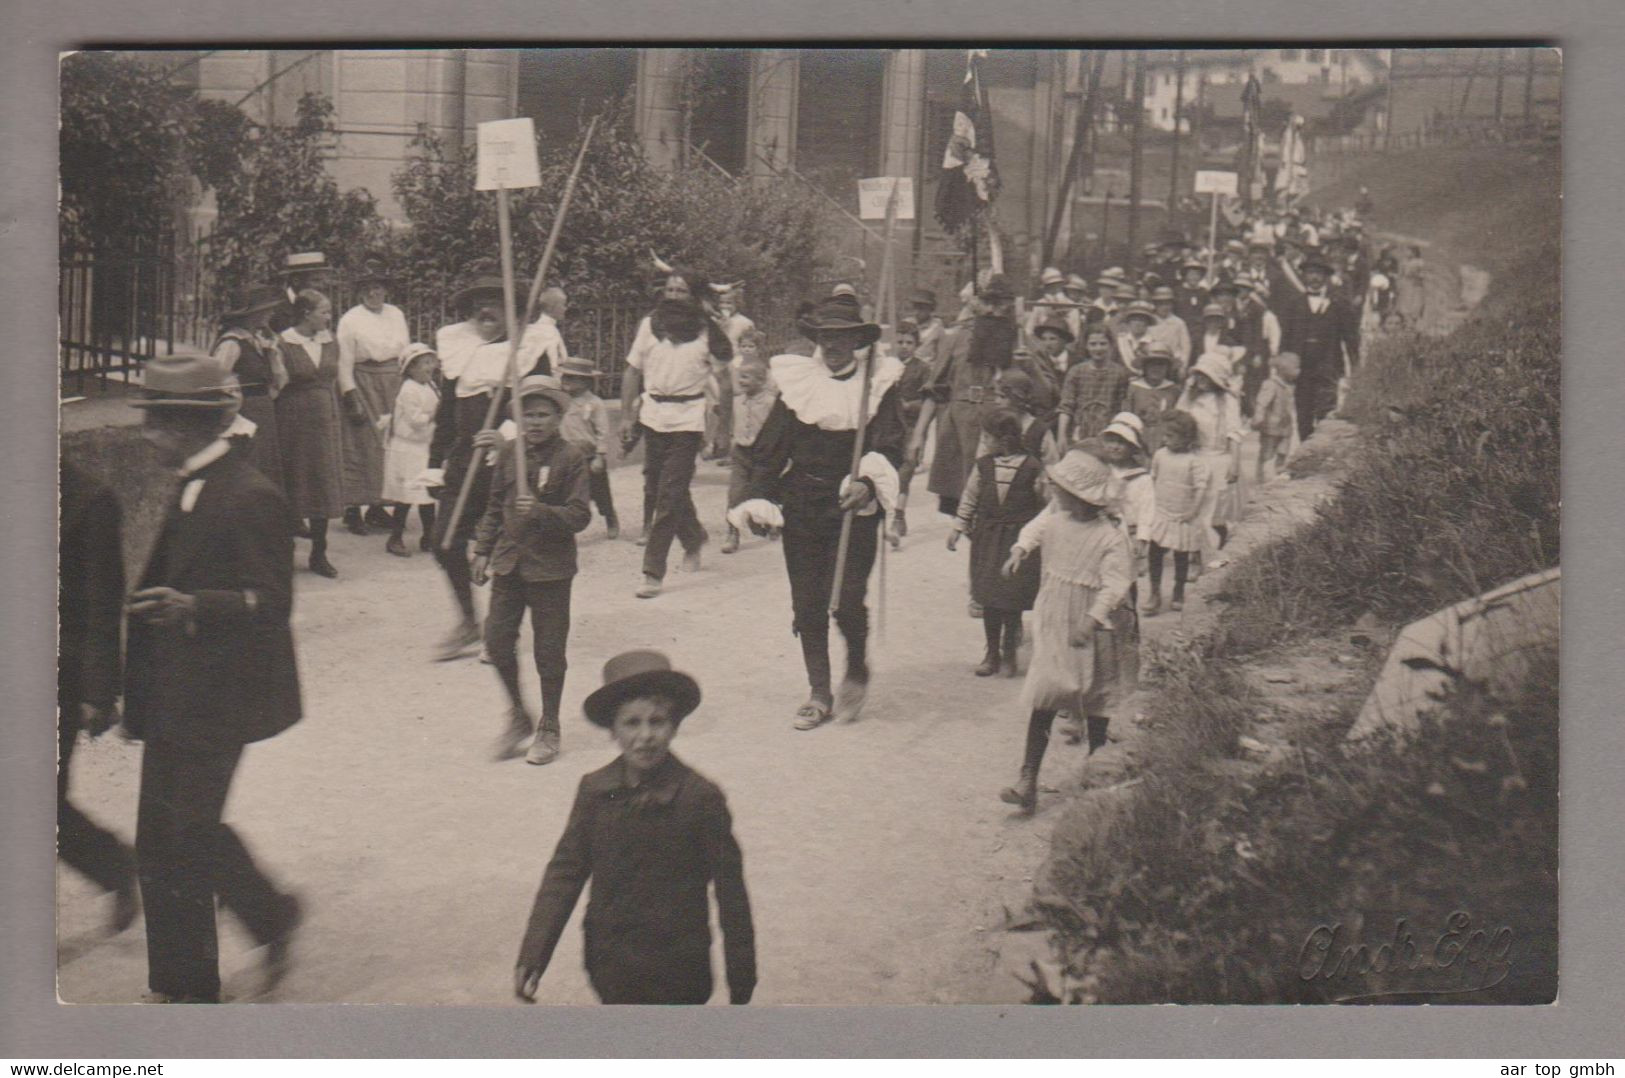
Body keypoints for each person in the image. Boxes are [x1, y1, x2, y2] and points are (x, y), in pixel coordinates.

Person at [122, 350, 303, 1003]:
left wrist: (196, 606)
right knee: (165, 833)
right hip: (176, 690)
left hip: (223, 696)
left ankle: (190, 989)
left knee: (184, 834)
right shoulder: (188, 481)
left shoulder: (250, 496)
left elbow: (272, 604)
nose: (147, 436)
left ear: (189, 425)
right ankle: (264, 919)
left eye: (156, 423)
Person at [514, 650, 754, 1005]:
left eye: (657, 722)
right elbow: (565, 873)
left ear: (674, 727)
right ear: (613, 730)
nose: (645, 736)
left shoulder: (700, 799)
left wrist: (741, 978)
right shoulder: (594, 791)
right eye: (631, 723)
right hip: (610, 962)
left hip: (681, 969)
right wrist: (534, 953)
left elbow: (731, 892)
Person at [728, 293, 906, 729]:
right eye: (826, 337)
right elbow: (771, 450)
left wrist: (866, 483)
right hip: (804, 502)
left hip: (853, 507)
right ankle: (819, 691)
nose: (833, 345)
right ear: (817, 339)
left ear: (857, 341)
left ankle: (858, 667)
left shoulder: (877, 385)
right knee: (807, 602)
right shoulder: (797, 385)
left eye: (843, 337)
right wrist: (757, 497)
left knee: (845, 599)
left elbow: (890, 445)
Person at [998, 448, 1137, 815]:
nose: (1052, 491)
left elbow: (1116, 583)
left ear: (1078, 496)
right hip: (1055, 618)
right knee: (1045, 694)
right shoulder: (1056, 519)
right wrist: (1020, 549)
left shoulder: (1109, 536)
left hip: (1092, 625)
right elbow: (1033, 529)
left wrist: (1093, 618)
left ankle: (1096, 774)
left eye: (1059, 487)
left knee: (1095, 698)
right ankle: (1028, 778)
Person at [427, 271, 554, 661]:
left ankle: (502, 631)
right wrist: (436, 461)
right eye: (478, 303)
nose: (484, 310)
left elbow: (543, 410)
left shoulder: (531, 350)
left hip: (511, 462)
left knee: (510, 548)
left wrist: (508, 436)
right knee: (444, 542)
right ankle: (469, 622)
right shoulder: (458, 349)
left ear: (514, 312)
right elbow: (447, 412)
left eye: (495, 302)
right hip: (466, 460)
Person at [471, 376, 591, 766]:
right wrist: (482, 549)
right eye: (529, 415)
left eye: (543, 414)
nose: (535, 422)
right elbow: (493, 505)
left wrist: (540, 511)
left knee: (549, 651)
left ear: (558, 417)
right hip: (509, 563)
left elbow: (579, 515)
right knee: (497, 640)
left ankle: (550, 725)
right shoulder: (509, 453)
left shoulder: (571, 458)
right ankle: (519, 715)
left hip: (551, 569)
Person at [58, 460, 139, 936]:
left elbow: (103, 605)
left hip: (57, 674)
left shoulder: (89, 501)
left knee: (38, 803)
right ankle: (113, 866)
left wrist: (98, 691)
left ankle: (113, 866)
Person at [621, 296, 715, 599]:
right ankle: (693, 537)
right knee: (662, 487)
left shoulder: (706, 330)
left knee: (669, 493)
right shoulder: (650, 325)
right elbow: (632, 370)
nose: (676, 295)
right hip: (653, 415)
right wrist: (626, 416)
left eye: (683, 289)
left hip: (688, 420)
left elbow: (724, 379)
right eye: (671, 288)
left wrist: (720, 428)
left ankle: (652, 571)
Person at [948, 409, 1045, 678]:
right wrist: (958, 527)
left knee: (1010, 597)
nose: (984, 442)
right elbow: (969, 498)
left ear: (1004, 440)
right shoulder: (983, 466)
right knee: (989, 596)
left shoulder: (1033, 467)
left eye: (987, 437)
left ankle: (1010, 653)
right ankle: (992, 652)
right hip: (988, 538)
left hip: (1017, 540)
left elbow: (1044, 506)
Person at [912, 275, 1018, 519]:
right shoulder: (956, 338)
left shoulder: (1017, 339)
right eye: (988, 303)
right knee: (962, 507)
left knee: (998, 504)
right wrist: (918, 435)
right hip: (958, 427)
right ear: (977, 304)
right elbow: (934, 390)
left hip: (1000, 427)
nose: (994, 311)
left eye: (1001, 304)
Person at [335, 259, 410, 535]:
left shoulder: (396, 314)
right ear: (359, 292)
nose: (374, 294)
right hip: (363, 381)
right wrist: (349, 393)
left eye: (378, 287)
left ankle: (377, 506)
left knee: (388, 445)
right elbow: (344, 362)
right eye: (368, 288)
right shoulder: (350, 319)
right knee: (361, 444)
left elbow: (404, 353)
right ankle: (353, 510)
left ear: (386, 290)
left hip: (393, 383)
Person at [275, 289, 346, 578]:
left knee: (323, 481)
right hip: (293, 419)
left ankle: (319, 552)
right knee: (294, 480)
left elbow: (335, 378)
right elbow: (277, 382)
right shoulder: (284, 343)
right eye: (324, 312)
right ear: (306, 314)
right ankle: (283, 552)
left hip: (325, 418)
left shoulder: (331, 341)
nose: (329, 317)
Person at [212, 284, 288, 493]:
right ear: (253, 314)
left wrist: (272, 355)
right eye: (267, 309)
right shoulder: (232, 343)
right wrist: (232, 409)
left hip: (264, 412)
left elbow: (279, 383)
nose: (271, 313)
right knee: (248, 466)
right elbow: (216, 379)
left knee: (266, 466)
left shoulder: (258, 341)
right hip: (245, 413)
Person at [1280, 255, 1361, 442]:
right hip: (1302, 369)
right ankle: (1304, 454)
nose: (1314, 278)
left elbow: (1350, 338)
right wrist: (1284, 367)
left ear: (1326, 277)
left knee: (1326, 413)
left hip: (1329, 366)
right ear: (1304, 276)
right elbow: (1286, 338)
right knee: (1303, 414)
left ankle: (1321, 456)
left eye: (1319, 273)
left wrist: (1355, 367)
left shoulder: (1339, 303)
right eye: (1310, 273)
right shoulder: (1294, 304)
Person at [1179, 352, 1246, 561]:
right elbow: (1178, 420)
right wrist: (1187, 391)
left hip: (1219, 458)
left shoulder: (1226, 400)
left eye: (1205, 376)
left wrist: (1234, 464)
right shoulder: (1191, 398)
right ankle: (1196, 555)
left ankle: (1217, 551)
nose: (1201, 381)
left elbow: (1234, 433)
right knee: (1196, 508)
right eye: (1198, 375)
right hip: (1196, 456)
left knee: (1216, 511)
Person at [1142, 410, 1208, 615]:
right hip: (1161, 512)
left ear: (1186, 438)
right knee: (1155, 553)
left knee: (1181, 555)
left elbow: (1200, 488)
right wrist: (1148, 506)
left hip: (1182, 515)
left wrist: (1193, 511)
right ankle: (1154, 592)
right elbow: (1152, 480)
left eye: (1170, 436)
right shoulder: (1160, 455)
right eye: (1165, 435)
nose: (1165, 440)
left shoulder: (1194, 461)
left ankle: (1178, 590)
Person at [381, 343, 441, 556]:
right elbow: (416, 421)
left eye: (430, 362)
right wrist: (437, 415)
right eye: (424, 363)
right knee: (406, 495)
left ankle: (429, 536)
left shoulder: (430, 385)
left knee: (427, 492)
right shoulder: (409, 389)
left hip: (423, 446)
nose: (430, 367)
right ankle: (395, 537)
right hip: (407, 449)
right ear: (411, 369)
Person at [720, 353, 778, 555]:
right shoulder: (737, 401)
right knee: (735, 493)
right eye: (740, 376)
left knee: (763, 491)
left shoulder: (771, 402)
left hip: (764, 453)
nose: (741, 381)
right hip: (741, 452)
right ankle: (732, 532)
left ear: (762, 380)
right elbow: (730, 423)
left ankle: (771, 523)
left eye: (746, 377)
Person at [556, 356, 619, 540]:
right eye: (564, 377)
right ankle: (565, 526)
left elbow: (602, 431)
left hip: (588, 455)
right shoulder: (560, 400)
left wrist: (600, 455)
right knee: (566, 491)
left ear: (585, 381)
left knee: (600, 490)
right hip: (566, 455)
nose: (565, 381)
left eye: (572, 378)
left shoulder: (594, 403)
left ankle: (609, 516)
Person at [888, 321, 932, 544]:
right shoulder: (885, 366)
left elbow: (929, 402)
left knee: (905, 471)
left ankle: (897, 518)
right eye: (900, 342)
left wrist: (909, 405)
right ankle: (895, 516)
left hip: (912, 428)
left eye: (909, 343)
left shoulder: (922, 369)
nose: (904, 346)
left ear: (916, 345)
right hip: (888, 428)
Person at [1057, 323, 1130, 446]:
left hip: (1108, 431)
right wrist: (1061, 436)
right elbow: (1066, 406)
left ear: (1111, 345)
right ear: (1086, 346)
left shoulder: (1120, 373)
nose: (1098, 348)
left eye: (1103, 343)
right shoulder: (1076, 371)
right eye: (1093, 344)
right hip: (1080, 431)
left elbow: (1122, 408)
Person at [1251, 351, 1301, 484]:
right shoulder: (1271, 384)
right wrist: (1259, 416)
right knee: (1267, 452)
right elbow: (1262, 402)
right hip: (1271, 426)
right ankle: (1261, 476)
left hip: (1285, 426)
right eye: (1296, 368)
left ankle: (1278, 472)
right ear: (1284, 369)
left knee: (1283, 451)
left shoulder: (1289, 386)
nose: (1298, 371)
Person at [1124, 346, 1182, 455]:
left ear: (1167, 368)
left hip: (1165, 441)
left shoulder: (1174, 390)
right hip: (1138, 440)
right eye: (1152, 364)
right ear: (1144, 366)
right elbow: (1127, 415)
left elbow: (1177, 419)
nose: (1156, 368)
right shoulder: (1133, 388)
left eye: (1161, 364)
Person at [1148, 286, 1191, 369]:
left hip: (1173, 363)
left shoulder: (1179, 323)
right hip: (1152, 362)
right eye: (1161, 304)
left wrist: (1183, 367)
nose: (1165, 307)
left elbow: (1186, 348)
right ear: (1155, 304)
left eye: (1167, 303)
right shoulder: (1150, 321)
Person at [907, 288, 946, 366]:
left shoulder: (936, 326)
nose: (917, 312)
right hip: (907, 366)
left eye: (921, 308)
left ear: (930, 309)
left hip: (926, 368)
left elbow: (942, 354)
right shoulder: (907, 323)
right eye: (915, 308)